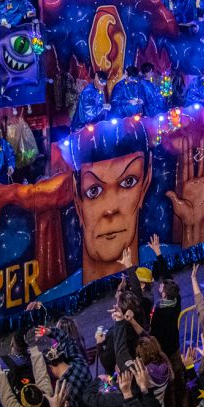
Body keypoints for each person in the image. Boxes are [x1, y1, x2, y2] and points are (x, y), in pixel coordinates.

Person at [64, 116, 151, 284]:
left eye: (128, 182)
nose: (110, 209)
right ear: (77, 197)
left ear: (146, 182)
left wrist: (196, 227)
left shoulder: (160, 254)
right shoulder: (54, 295)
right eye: (94, 191)